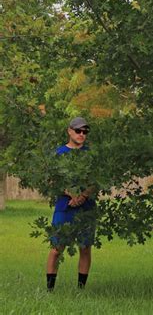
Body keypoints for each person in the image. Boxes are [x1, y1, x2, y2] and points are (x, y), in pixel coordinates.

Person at [46, 117, 96, 292]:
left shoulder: (91, 154)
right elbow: (53, 181)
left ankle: (81, 289)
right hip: (64, 206)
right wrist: (71, 194)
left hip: (87, 208)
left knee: (85, 248)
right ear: (69, 131)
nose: (82, 134)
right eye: (78, 131)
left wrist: (83, 195)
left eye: (85, 132)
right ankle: (49, 290)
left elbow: (95, 180)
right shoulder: (58, 153)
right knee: (56, 249)